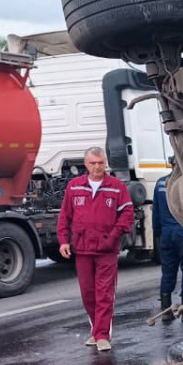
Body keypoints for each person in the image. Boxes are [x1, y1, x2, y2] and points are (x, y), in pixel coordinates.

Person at [57, 147, 134, 351]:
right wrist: (64, 240)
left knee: (104, 293)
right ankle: (96, 329)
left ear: (105, 163)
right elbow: (65, 215)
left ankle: (102, 335)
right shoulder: (74, 187)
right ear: (86, 164)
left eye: (100, 162)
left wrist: (113, 236)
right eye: (93, 163)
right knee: (88, 293)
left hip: (106, 251)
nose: (97, 167)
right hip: (82, 249)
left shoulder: (116, 187)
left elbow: (127, 214)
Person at [152, 160, 183, 321]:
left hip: (166, 235)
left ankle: (166, 311)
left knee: (167, 272)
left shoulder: (160, 183)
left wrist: (158, 233)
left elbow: (155, 212)